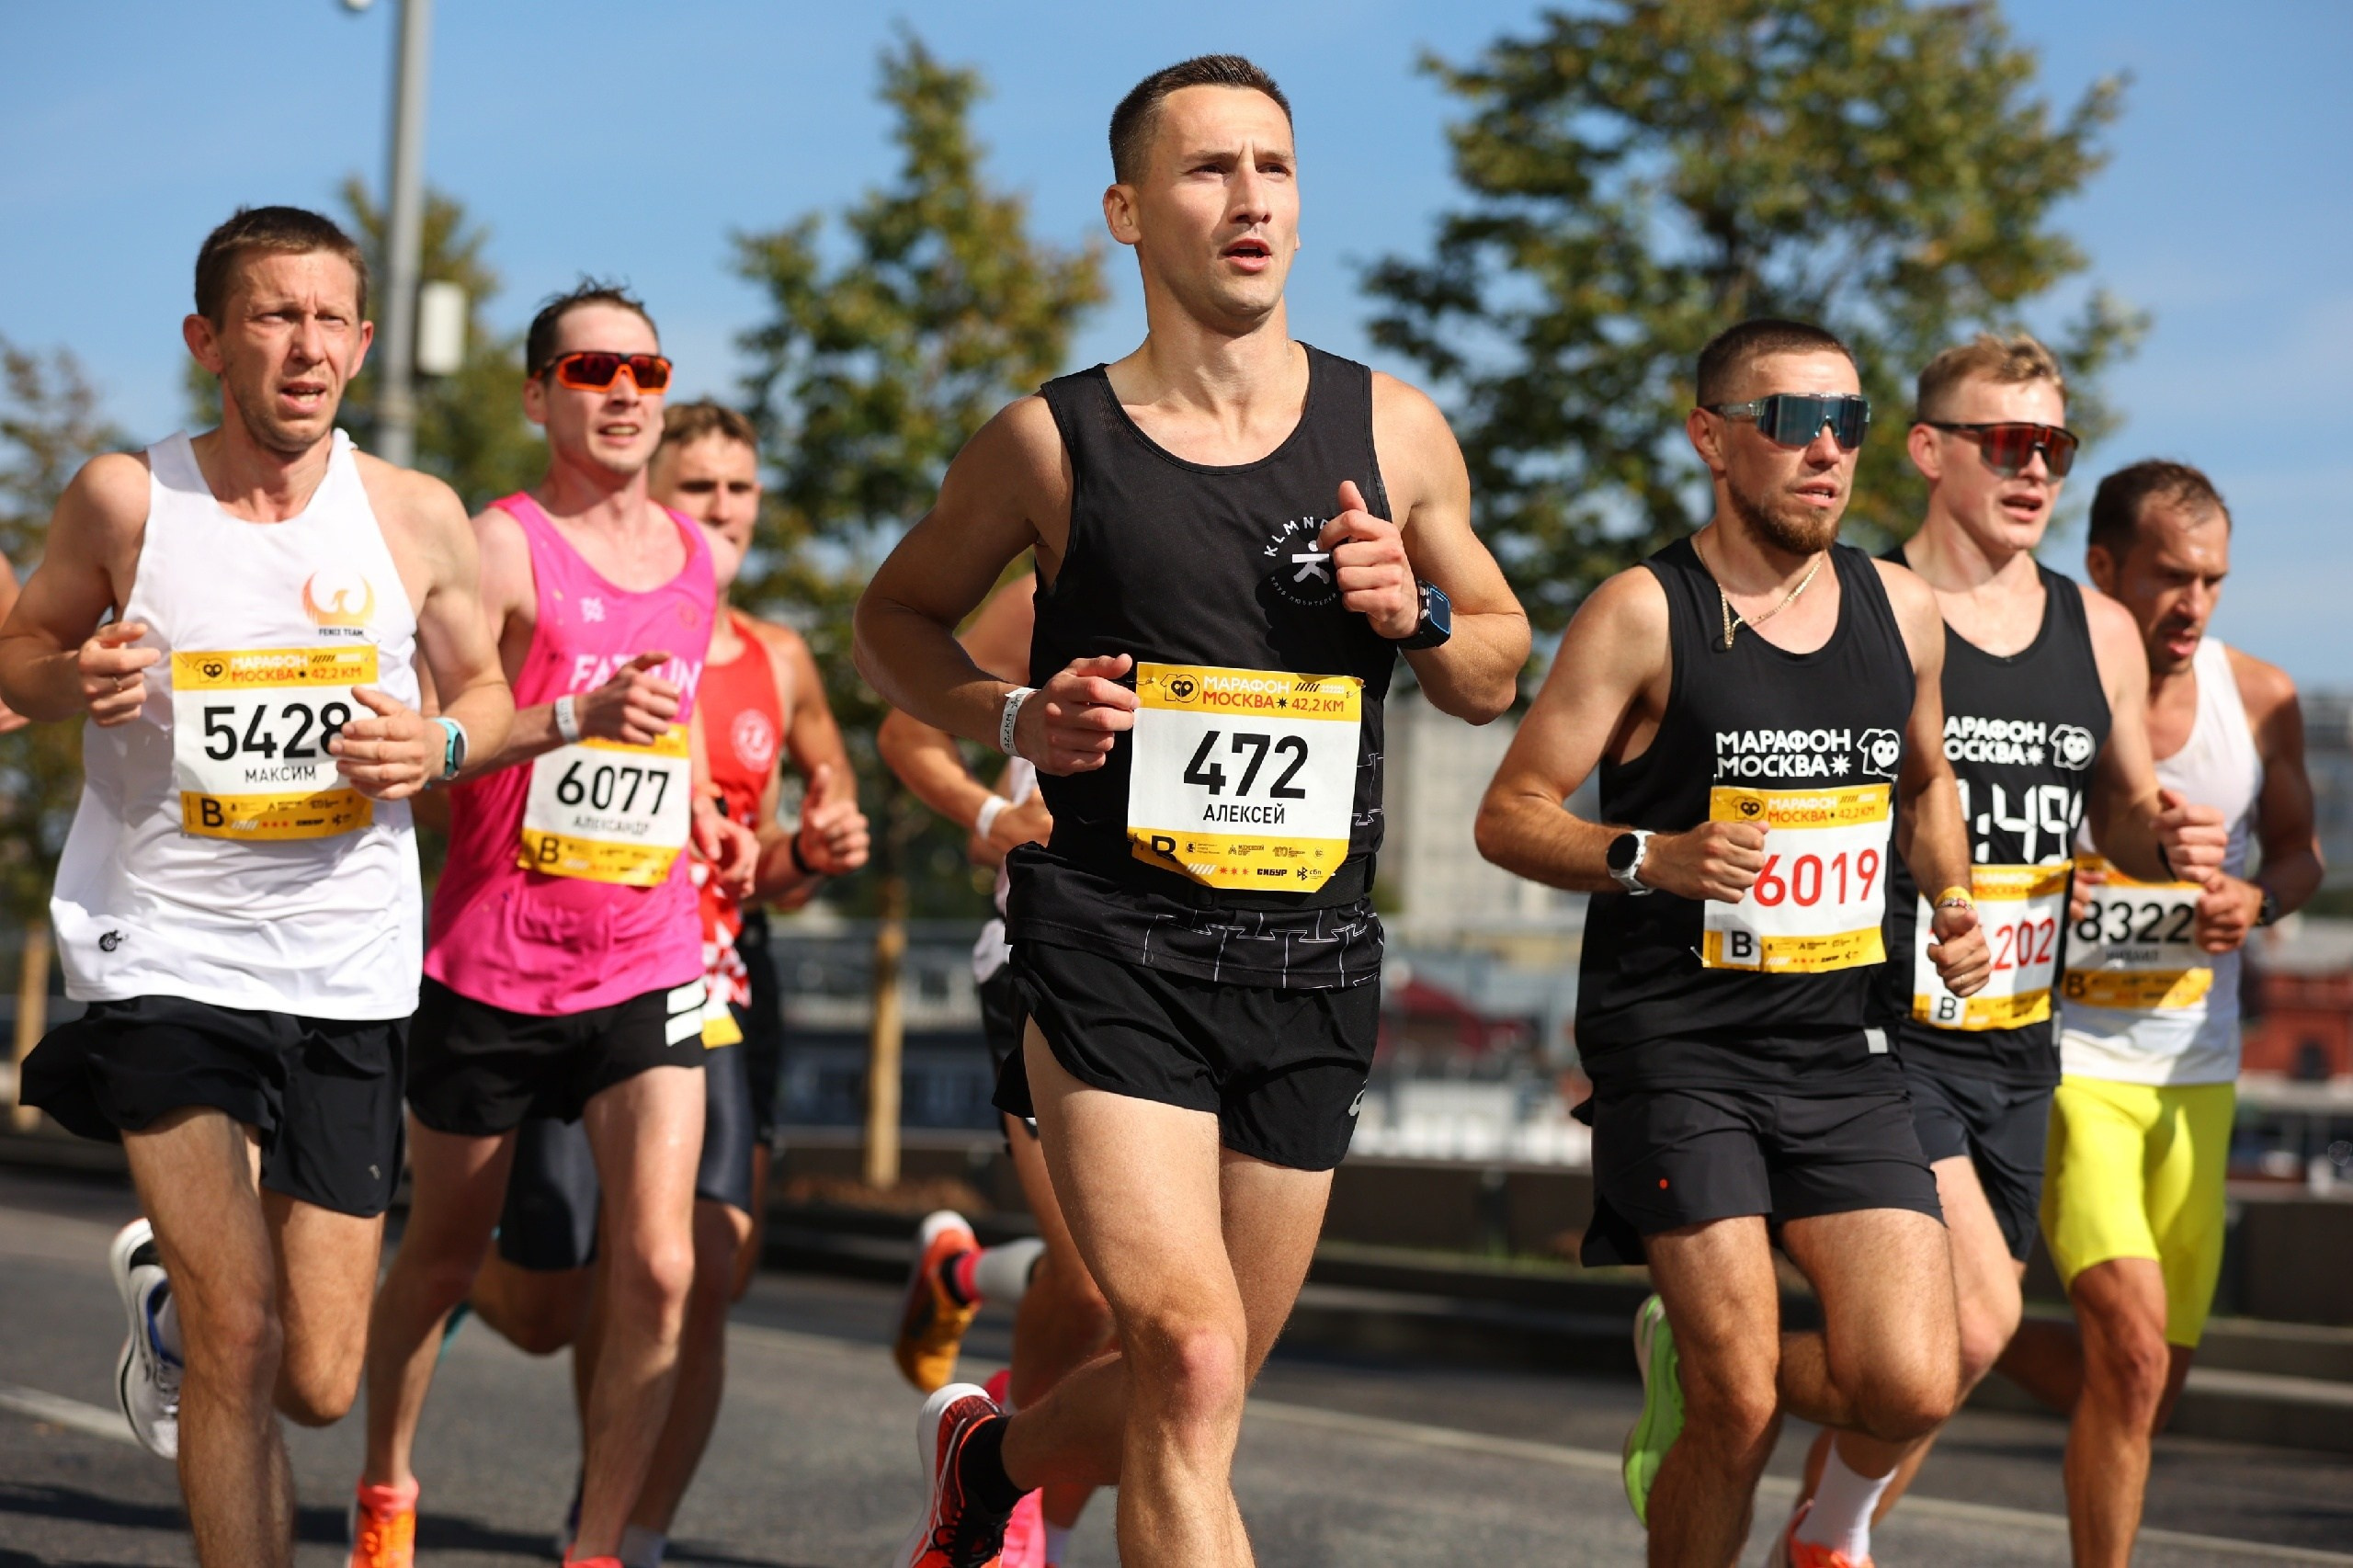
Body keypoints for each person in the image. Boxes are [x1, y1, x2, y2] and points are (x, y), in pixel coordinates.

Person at [854, 54, 1529, 1568]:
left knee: (1199, 1385)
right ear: (1127, 211)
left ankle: (991, 1455)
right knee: (1195, 1354)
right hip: (1114, 941)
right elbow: (892, 622)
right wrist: (1013, 717)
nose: (1250, 200)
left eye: (1274, 169)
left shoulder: (1394, 432)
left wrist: (1412, 607)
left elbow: (1496, 666)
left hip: (1313, 958)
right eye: (1210, 169)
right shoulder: (1051, 442)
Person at [0, 205, 512, 1568]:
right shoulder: (127, 497)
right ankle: (198, 1317)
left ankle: (164, 1305)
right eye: (274, 315)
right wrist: (71, 680)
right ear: (208, 339)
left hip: (345, 958)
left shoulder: (415, 514)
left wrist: (441, 741)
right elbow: (21, 651)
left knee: (319, 1376)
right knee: (242, 1334)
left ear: (362, 338)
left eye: (330, 317)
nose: (306, 345)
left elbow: (488, 691)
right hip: (160, 941)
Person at [1473, 316, 1994, 1568]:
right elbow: (1510, 812)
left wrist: (1958, 896)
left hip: (1839, 1049)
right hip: (1679, 1053)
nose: (1828, 451)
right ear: (1711, 437)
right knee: (1742, 1403)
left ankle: (1685, 1349)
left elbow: (1925, 786)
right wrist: (1649, 854)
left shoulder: (1903, 610)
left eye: (1848, 423)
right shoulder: (1644, 613)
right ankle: (1706, 1370)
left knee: (1917, 1380)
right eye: (1792, 421)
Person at [1771, 337, 2226, 1568]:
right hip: (1877, 1024)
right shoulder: (1852, 599)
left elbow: (2122, 809)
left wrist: (2166, 837)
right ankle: (1826, 1516)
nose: (2035, 470)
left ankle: (1748, 1401)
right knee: (1969, 1328)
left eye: (2054, 448)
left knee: (1947, 1343)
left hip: (2020, 1039)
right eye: (2006, 444)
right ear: (1929, 451)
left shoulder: (2100, 632)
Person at [348, 283, 758, 1568]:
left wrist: (698, 806)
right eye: (592, 370)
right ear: (540, 395)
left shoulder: (693, 560)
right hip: (492, 957)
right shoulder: (503, 544)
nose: (625, 392)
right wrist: (553, 727)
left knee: (661, 1263)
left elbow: (670, 714)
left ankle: (596, 1545)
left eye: (646, 371)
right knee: (443, 1253)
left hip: (647, 954)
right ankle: (384, 1486)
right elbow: (430, 748)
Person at [457, 399, 869, 1568]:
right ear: (652, 503)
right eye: (701, 490)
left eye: (741, 490)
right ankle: (447, 1269)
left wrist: (822, 841)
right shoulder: (587, 631)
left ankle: (624, 1526)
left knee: (700, 1262)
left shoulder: (780, 659)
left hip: (719, 976)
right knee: (548, 1304)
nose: (723, 510)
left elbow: (792, 856)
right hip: (564, 962)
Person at [1996, 460, 2320, 1568]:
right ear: (2103, 568)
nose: (2192, 605)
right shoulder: (2037, 688)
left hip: (2200, 1071)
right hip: (2071, 1063)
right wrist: (2045, 881)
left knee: (2148, 1384)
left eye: (2213, 581)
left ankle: (1965, 1339)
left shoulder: (2262, 695)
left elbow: (2297, 850)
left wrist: (2257, 897)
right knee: (2130, 1360)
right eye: (2169, 576)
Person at [877, 569, 1104, 1567]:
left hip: (1219, 976)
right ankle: (1018, 1529)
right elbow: (906, 729)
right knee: (1101, 1287)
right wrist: (986, 816)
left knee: (1164, 1314)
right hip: (1047, 957)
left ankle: (963, 1276)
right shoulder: (1056, 582)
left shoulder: (1306, 570)